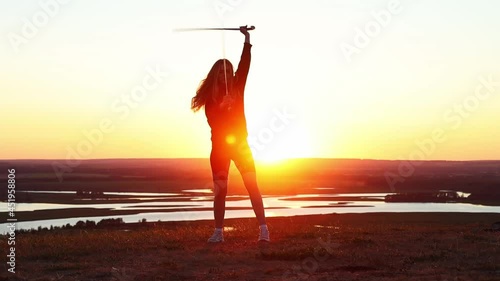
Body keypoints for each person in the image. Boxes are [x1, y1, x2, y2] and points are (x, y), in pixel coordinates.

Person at [191, 26, 269, 243]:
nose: (227, 75)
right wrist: (222, 108)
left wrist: (247, 39)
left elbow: (245, 65)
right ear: (216, 75)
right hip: (220, 149)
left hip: (241, 146)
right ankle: (218, 232)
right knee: (220, 190)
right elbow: (214, 124)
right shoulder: (210, 101)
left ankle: (264, 229)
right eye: (222, 72)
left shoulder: (237, 87)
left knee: (252, 185)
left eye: (229, 71)